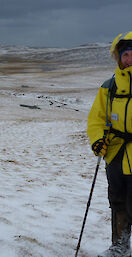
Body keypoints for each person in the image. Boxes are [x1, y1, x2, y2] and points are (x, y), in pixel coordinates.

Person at [87, 31, 132, 257]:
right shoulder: (109, 87)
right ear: (119, 57)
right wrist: (97, 140)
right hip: (114, 153)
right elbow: (97, 118)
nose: (129, 59)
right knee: (117, 200)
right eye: (125, 54)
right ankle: (120, 246)